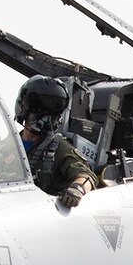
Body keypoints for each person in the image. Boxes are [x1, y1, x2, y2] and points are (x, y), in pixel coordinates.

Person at [15, 76, 96, 208]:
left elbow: (87, 176)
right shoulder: (8, 146)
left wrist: (77, 188)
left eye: (52, 111)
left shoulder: (59, 149)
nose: (47, 117)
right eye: (40, 108)